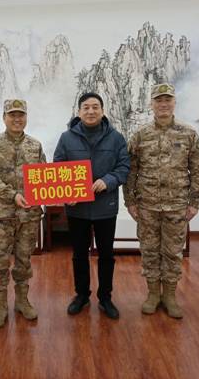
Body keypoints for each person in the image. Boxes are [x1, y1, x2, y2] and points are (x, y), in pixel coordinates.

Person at [123, 83, 199, 319]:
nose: (163, 104)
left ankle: (169, 296)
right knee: (149, 250)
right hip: (147, 205)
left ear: (174, 103)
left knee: (173, 252)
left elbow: (198, 169)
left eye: (167, 100)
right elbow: (130, 171)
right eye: (158, 100)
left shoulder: (188, 134)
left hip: (177, 205)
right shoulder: (140, 135)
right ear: (151, 104)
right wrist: (130, 201)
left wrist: (195, 202)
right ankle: (152, 294)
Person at [53, 92, 130, 319]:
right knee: (79, 254)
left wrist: (108, 181)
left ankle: (105, 297)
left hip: (106, 206)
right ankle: (81, 295)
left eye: (95, 107)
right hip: (77, 208)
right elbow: (58, 167)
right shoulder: (66, 138)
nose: (91, 111)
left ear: (102, 111)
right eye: (86, 107)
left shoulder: (116, 138)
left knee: (106, 254)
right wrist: (67, 192)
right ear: (79, 112)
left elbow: (124, 167)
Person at [0, 99, 46, 328]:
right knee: (0, 260)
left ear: (26, 117)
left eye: (21, 115)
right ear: (4, 117)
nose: (17, 119)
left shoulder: (35, 146)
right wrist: (12, 195)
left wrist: (58, 194)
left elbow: (44, 177)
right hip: (2, 216)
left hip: (28, 216)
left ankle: (22, 301)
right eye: (12, 115)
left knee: (24, 260)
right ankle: (0, 306)